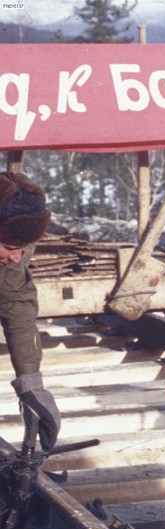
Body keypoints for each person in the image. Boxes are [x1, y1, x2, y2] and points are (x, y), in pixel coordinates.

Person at [0, 171, 60, 452]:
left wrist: (31, 384)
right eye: (10, 248)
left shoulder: (14, 252)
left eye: (23, 250)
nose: (17, 258)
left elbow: (18, 306)